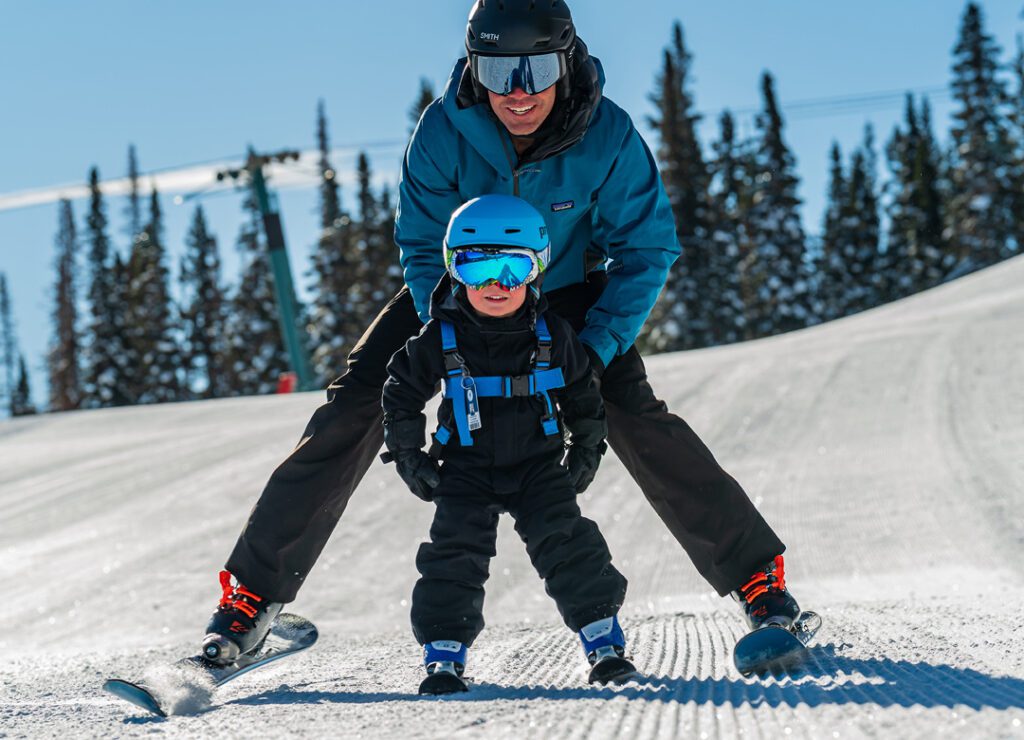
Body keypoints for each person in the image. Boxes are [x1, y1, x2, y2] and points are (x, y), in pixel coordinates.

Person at [201, 0, 800, 665]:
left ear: (565, 60)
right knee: (355, 400)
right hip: (458, 295)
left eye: (537, 69)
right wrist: (449, 336)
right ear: (473, 65)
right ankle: (248, 602)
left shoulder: (607, 134)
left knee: (631, 409)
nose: (519, 93)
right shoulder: (443, 131)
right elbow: (424, 245)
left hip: (566, 289)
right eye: (497, 69)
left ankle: (759, 582)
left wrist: (593, 350)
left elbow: (647, 249)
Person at [382, 194, 634, 693]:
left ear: (537, 270)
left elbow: (583, 393)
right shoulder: (440, 336)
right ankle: (444, 655)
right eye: (478, 269)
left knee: (567, 543)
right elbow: (401, 392)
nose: (496, 285)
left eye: (513, 269)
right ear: (454, 269)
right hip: (464, 468)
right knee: (454, 554)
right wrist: (409, 455)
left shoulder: (552, 334)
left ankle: (602, 641)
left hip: (538, 467)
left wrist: (586, 448)